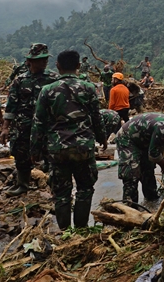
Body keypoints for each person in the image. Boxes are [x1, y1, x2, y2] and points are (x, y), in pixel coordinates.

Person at [31, 50, 107, 230]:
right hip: (83, 148)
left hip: (57, 149)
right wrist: (102, 138)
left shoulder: (47, 90)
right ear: (79, 66)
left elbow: (38, 123)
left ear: (57, 66)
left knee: (61, 193)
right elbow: (97, 117)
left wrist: (34, 150)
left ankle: (64, 232)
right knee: (85, 189)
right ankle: (81, 230)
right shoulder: (88, 88)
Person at [4, 43, 61, 196]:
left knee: (52, 155)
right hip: (23, 125)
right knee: (21, 155)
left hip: (47, 126)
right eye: (40, 59)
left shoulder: (54, 79)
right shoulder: (20, 81)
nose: (44, 62)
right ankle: (23, 185)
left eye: (45, 59)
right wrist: (5, 127)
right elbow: (11, 106)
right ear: (30, 61)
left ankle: (55, 188)